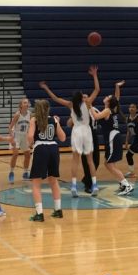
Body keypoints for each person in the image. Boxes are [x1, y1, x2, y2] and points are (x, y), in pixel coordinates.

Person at [39, 66, 100, 197]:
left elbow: (55, 98)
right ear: (82, 97)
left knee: (75, 160)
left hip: (77, 131)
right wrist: (94, 75)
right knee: (90, 160)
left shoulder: (70, 104)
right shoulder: (88, 103)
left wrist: (46, 88)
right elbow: (97, 89)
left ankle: (73, 186)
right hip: (87, 131)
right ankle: (94, 185)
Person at [27, 99, 66, 222]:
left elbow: (29, 136)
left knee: (36, 183)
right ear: (48, 109)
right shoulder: (54, 120)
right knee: (53, 181)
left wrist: (30, 145)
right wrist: (57, 124)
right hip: (54, 148)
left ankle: (39, 213)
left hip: (41, 149)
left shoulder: (34, 120)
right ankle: (58, 210)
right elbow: (63, 138)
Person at [92, 89, 133, 195]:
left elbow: (96, 117)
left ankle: (127, 185)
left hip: (112, 138)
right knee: (108, 163)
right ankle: (122, 184)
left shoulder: (107, 110)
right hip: (114, 137)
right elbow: (117, 99)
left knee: (109, 164)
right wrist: (117, 87)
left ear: (109, 102)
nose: (105, 97)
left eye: (108, 97)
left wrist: (88, 105)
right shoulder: (112, 109)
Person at [8, 97, 32, 183]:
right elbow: (10, 127)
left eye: (27, 102)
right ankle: (11, 172)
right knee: (15, 154)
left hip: (25, 136)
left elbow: (30, 127)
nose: (27, 104)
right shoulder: (17, 115)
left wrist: (30, 137)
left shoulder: (30, 114)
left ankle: (25, 173)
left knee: (28, 155)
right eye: (24, 102)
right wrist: (12, 138)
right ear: (21, 105)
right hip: (16, 135)